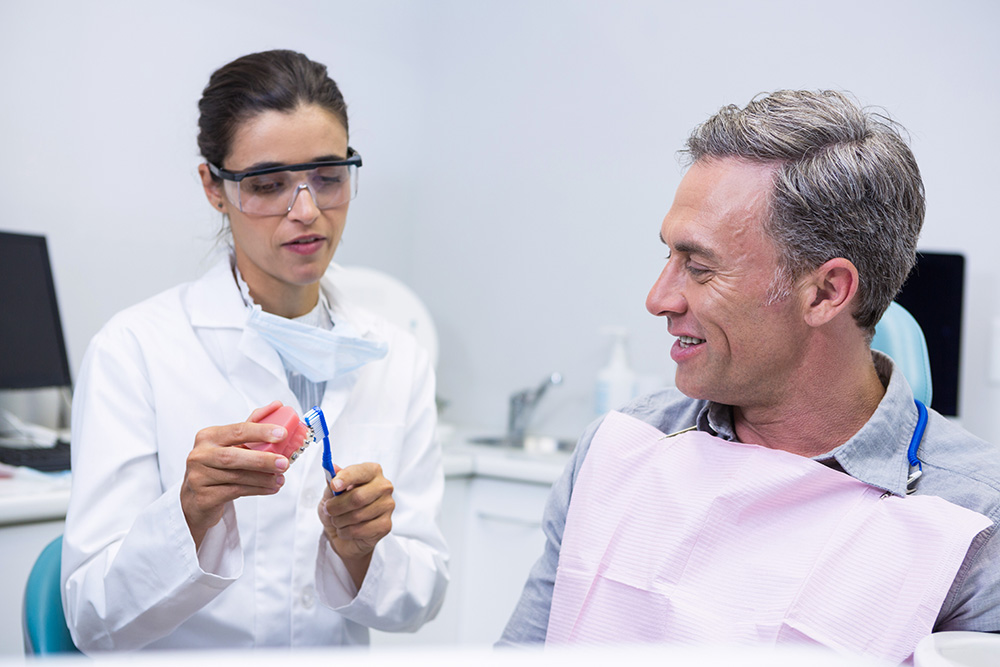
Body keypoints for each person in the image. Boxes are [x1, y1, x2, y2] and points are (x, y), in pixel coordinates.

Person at [498, 90, 1000, 661]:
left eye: (701, 267)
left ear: (825, 292)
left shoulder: (975, 523)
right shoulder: (621, 450)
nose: (658, 299)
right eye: (668, 257)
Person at [62, 50, 448, 652]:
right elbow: (91, 618)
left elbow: (422, 598)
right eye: (267, 184)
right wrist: (188, 513)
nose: (307, 211)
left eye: (329, 176)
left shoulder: (395, 356)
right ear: (214, 188)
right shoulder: (134, 350)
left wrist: (360, 550)